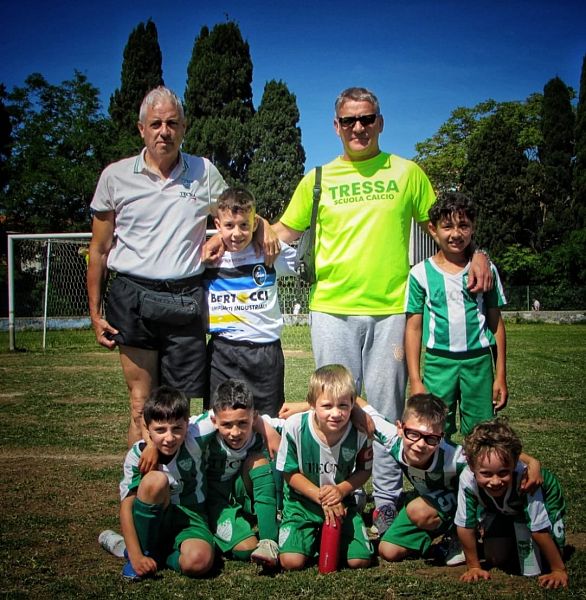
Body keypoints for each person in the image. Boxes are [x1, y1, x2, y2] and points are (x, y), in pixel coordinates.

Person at [273, 86, 493, 532]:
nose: (358, 127)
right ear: (336, 126)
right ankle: (341, 494)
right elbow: (281, 232)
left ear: (380, 122)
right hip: (331, 309)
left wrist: (479, 253)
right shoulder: (317, 179)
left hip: (392, 310)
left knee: (388, 411)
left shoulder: (407, 173)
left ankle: (387, 501)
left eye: (367, 118)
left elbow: (444, 227)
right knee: (336, 407)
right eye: (349, 120)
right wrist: (223, 236)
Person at [87, 86, 278, 458]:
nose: (164, 131)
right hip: (132, 297)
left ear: (184, 127)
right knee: (141, 404)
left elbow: (235, 213)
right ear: (141, 128)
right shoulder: (115, 176)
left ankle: (183, 486)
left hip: (185, 298)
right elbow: (99, 249)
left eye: (172, 123)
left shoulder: (204, 171)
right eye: (156, 124)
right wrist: (94, 314)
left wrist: (263, 225)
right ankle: (140, 486)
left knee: (179, 408)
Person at [359, 394, 543, 566]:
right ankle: (440, 535)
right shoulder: (392, 438)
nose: (420, 444)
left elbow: (493, 452)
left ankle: (465, 531)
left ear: (441, 437)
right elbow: (357, 402)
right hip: (432, 503)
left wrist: (532, 463)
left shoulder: (454, 457)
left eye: (431, 438)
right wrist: (348, 406)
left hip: (461, 501)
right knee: (388, 551)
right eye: (413, 434)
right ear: (400, 428)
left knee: (497, 557)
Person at [405, 192, 508, 439]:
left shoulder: (485, 270)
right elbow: (413, 328)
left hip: (479, 364)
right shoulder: (420, 274)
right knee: (435, 431)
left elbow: (496, 323)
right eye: (447, 226)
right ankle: (443, 467)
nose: (456, 233)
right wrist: (415, 379)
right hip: (439, 365)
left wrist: (501, 375)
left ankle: (474, 467)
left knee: (482, 434)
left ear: (473, 228)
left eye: (463, 225)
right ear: (433, 229)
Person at [204, 187, 297, 417]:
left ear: (254, 224)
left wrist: (266, 227)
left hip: (264, 353)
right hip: (222, 351)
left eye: (244, 225)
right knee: (221, 420)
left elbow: (313, 265)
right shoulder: (208, 255)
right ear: (217, 225)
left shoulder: (270, 251)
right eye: (229, 225)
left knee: (267, 422)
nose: (237, 233)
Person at [276, 364, 373, 571]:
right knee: (291, 562)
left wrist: (340, 491)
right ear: (311, 404)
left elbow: (364, 470)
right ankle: (307, 533)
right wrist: (322, 497)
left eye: (343, 405)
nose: (336, 413)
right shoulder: (294, 426)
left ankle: (337, 527)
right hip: (302, 503)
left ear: (353, 403)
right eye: (327, 406)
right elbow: (289, 473)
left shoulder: (359, 431)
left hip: (341, 502)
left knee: (359, 561)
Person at [455, 418, 567, 589]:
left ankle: (520, 524)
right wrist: (474, 567)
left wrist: (558, 569)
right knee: (496, 558)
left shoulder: (526, 478)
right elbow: (464, 525)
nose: (495, 481)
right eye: (486, 474)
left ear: (514, 464)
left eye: (503, 473)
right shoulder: (467, 478)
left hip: (544, 496)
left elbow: (539, 528)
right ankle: (508, 523)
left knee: (550, 554)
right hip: (503, 505)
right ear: (471, 466)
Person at [118, 386, 215, 581]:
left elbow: (227, 410)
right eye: (160, 430)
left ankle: (160, 556)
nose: (169, 438)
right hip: (156, 519)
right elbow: (127, 506)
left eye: (177, 428)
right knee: (156, 480)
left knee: (199, 562)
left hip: (191, 516)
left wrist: (269, 431)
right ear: (147, 429)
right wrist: (136, 556)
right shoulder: (137, 455)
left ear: (187, 423)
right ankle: (144, 551)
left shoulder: (195, 434)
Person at [202, 378, 282, 569]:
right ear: (214, 421)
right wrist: (151, 446)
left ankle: (269, 542)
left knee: (259, 461)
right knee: (246, 549)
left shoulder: (266, 426)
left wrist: (270, 432)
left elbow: (311, 420)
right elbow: (169, 426)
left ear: (254, 417)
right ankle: (213, 530)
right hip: (216, 499)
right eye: (227, 425)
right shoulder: (200, 430)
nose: (235, 432)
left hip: (240, 488)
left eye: (243, 423)